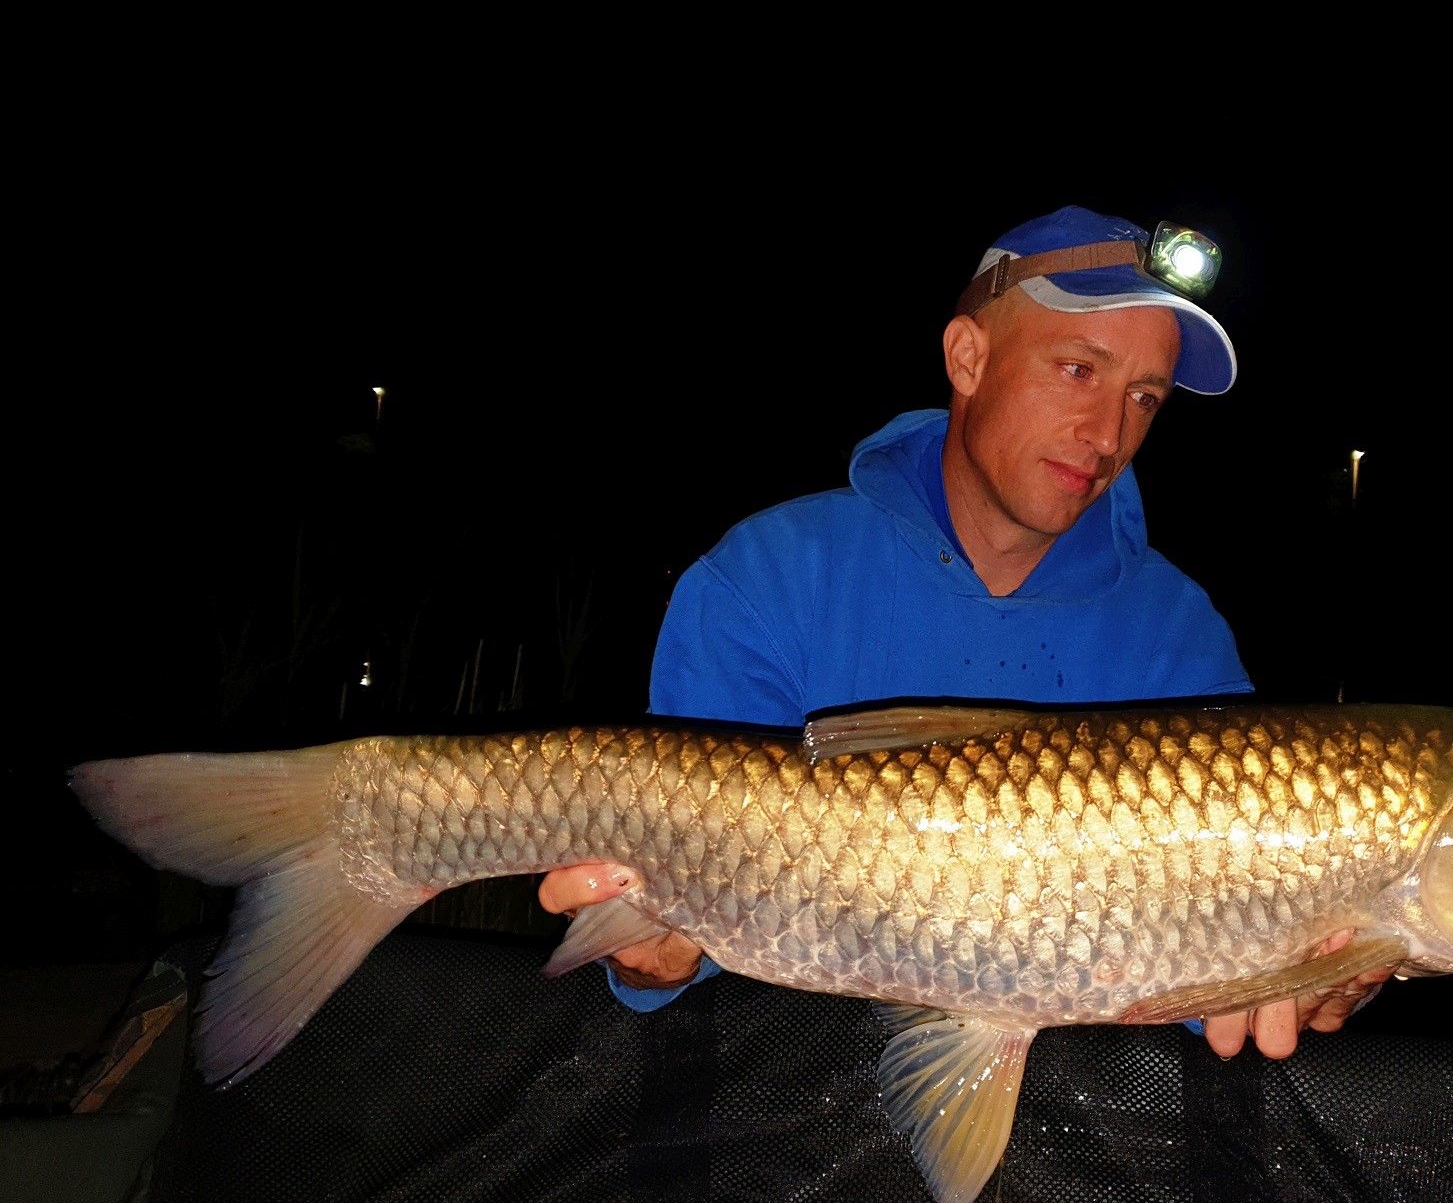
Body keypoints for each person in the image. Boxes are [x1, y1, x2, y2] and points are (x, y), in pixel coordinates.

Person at [538, 204, 1391, 1060]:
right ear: (968, 358)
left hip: (1076, 1146)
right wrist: (652, 958)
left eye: (1143, 397)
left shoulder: (1178, 638)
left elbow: (1206, 966)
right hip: (776, 1114)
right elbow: (674, 934)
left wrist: (1298, 979)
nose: (1108, 434)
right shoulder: (766, 578)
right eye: (1077, 370)